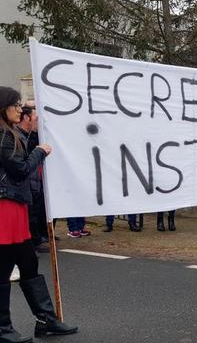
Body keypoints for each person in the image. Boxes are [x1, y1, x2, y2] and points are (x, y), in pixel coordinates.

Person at [0, 86, 78, 342]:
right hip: (6, 210)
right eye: (16, 104)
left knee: (28, 264)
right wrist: (39, 152)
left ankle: (45, 320)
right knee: (3, 269)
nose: (20, 108)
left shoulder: (8, 134)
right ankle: (3, 328)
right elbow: (20, 170)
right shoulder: (3, 136)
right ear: (3, 107)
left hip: (15, 208)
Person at [14, 103, 48, 253]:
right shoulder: (15, 137)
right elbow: (23, 165)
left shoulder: (31, 135)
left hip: (34, 182)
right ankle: (33, 243)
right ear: (27, 118)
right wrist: (39, 152)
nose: (37, 120)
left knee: (35, 212)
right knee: (30, 214)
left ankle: (35, 240)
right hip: (25, 183)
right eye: (35, 117)